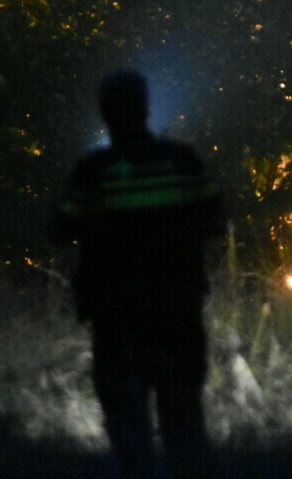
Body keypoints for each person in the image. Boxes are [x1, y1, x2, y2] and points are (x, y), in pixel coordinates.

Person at [51, 71, 224, 479]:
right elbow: (216, 222)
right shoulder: (184, 162)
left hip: (116, 310)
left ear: (106, 114)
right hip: (177, 304)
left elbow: (57, 230)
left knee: (126, 411)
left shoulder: (95, 171)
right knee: (182, 406)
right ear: (146, 108)